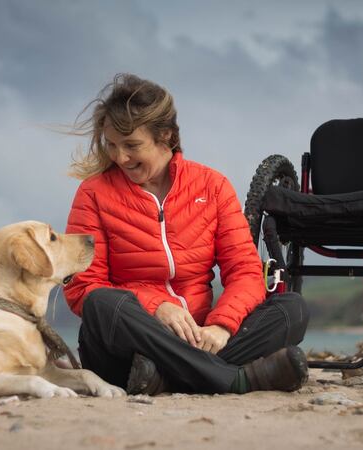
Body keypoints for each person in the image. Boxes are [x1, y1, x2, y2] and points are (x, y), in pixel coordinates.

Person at [63, 73, 309, 395]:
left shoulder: (212, 185)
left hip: (200, 334)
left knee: (292, 308)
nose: (119, 157)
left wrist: (221, 326)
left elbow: (246, 272)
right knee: (100, 302)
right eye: (111, 145)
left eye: (131, 145)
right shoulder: (93, 193)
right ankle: (234, 379)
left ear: (165, 136)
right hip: (129, 344)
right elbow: (83, 286)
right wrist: (155, 308)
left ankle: (166, 378)